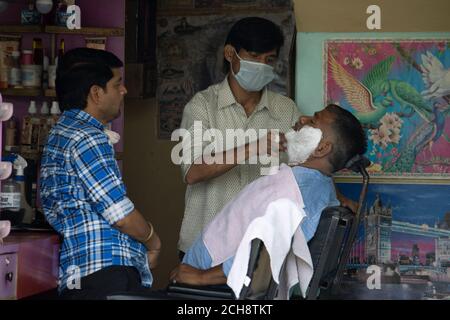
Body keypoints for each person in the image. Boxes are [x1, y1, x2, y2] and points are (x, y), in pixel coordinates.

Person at [170, 104, 367, 288]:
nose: (303, 118)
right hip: (209, 265)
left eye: (313, 121)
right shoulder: (311, 185)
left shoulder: (294, 194)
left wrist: (202, 277)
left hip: (211, 279)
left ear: (321, 148)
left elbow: (265, 252)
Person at [40, 49, 161, 300]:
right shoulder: (88, 137)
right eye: (117, 84)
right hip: (103, 272)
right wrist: (153, 240)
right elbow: (120, 215)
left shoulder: (61, 132)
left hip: (81, 270)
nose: (124, 90)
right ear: (96, 93)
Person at [177, 17, 302, 257]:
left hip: (261, 248)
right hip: (204, 246)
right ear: (230, 53)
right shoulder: (201, 107)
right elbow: (193, 172)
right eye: (254, 57)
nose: (263, 66)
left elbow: (303, 169)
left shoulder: (286, 110)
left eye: (269, 60)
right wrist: (253, 147)